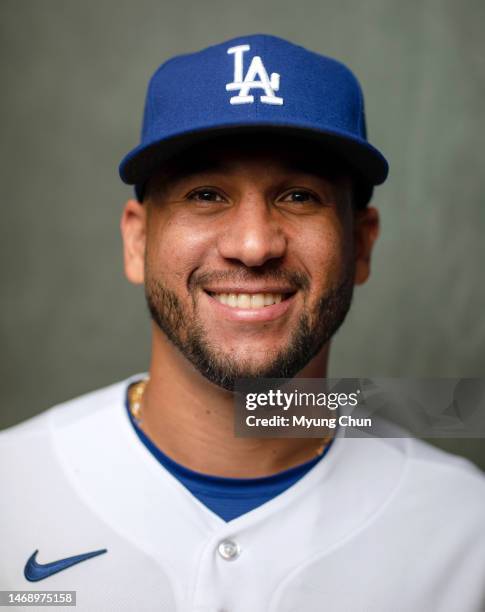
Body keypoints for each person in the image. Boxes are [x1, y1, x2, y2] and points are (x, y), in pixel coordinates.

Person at [1, 34, 484, 612]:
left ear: (361, 246)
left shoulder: (466, 530)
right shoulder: (13, 490)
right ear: (137, 240)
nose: (254, 246)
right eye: (205, 194)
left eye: (300, 196)